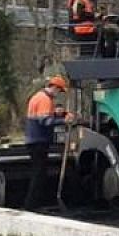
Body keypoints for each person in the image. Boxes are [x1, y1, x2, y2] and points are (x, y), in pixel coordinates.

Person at [23, 76, 69, 210]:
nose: (58, 95)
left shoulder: (37, 96)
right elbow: (45, 121)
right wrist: (63, 121)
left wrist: (59, 114)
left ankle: (32, 204)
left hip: (33, 140)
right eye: (59, 91)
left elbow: (42, 117)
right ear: (54, 87)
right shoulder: (45, 99)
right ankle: (31, 205)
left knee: (38, 172)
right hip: (39, 141)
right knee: (39, 174)